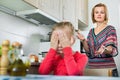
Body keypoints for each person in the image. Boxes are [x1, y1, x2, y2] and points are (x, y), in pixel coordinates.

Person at [77, 3, 118, 69]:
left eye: (102, 12)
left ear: (105, 15)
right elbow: (88, 51)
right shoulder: (91, 31)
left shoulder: (110, 29)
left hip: (107, 67)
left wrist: (104, 49)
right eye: (96, 12)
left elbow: (110, 48)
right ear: (93, 15)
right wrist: (83, 40)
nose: (99, 14)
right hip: (92, 66)